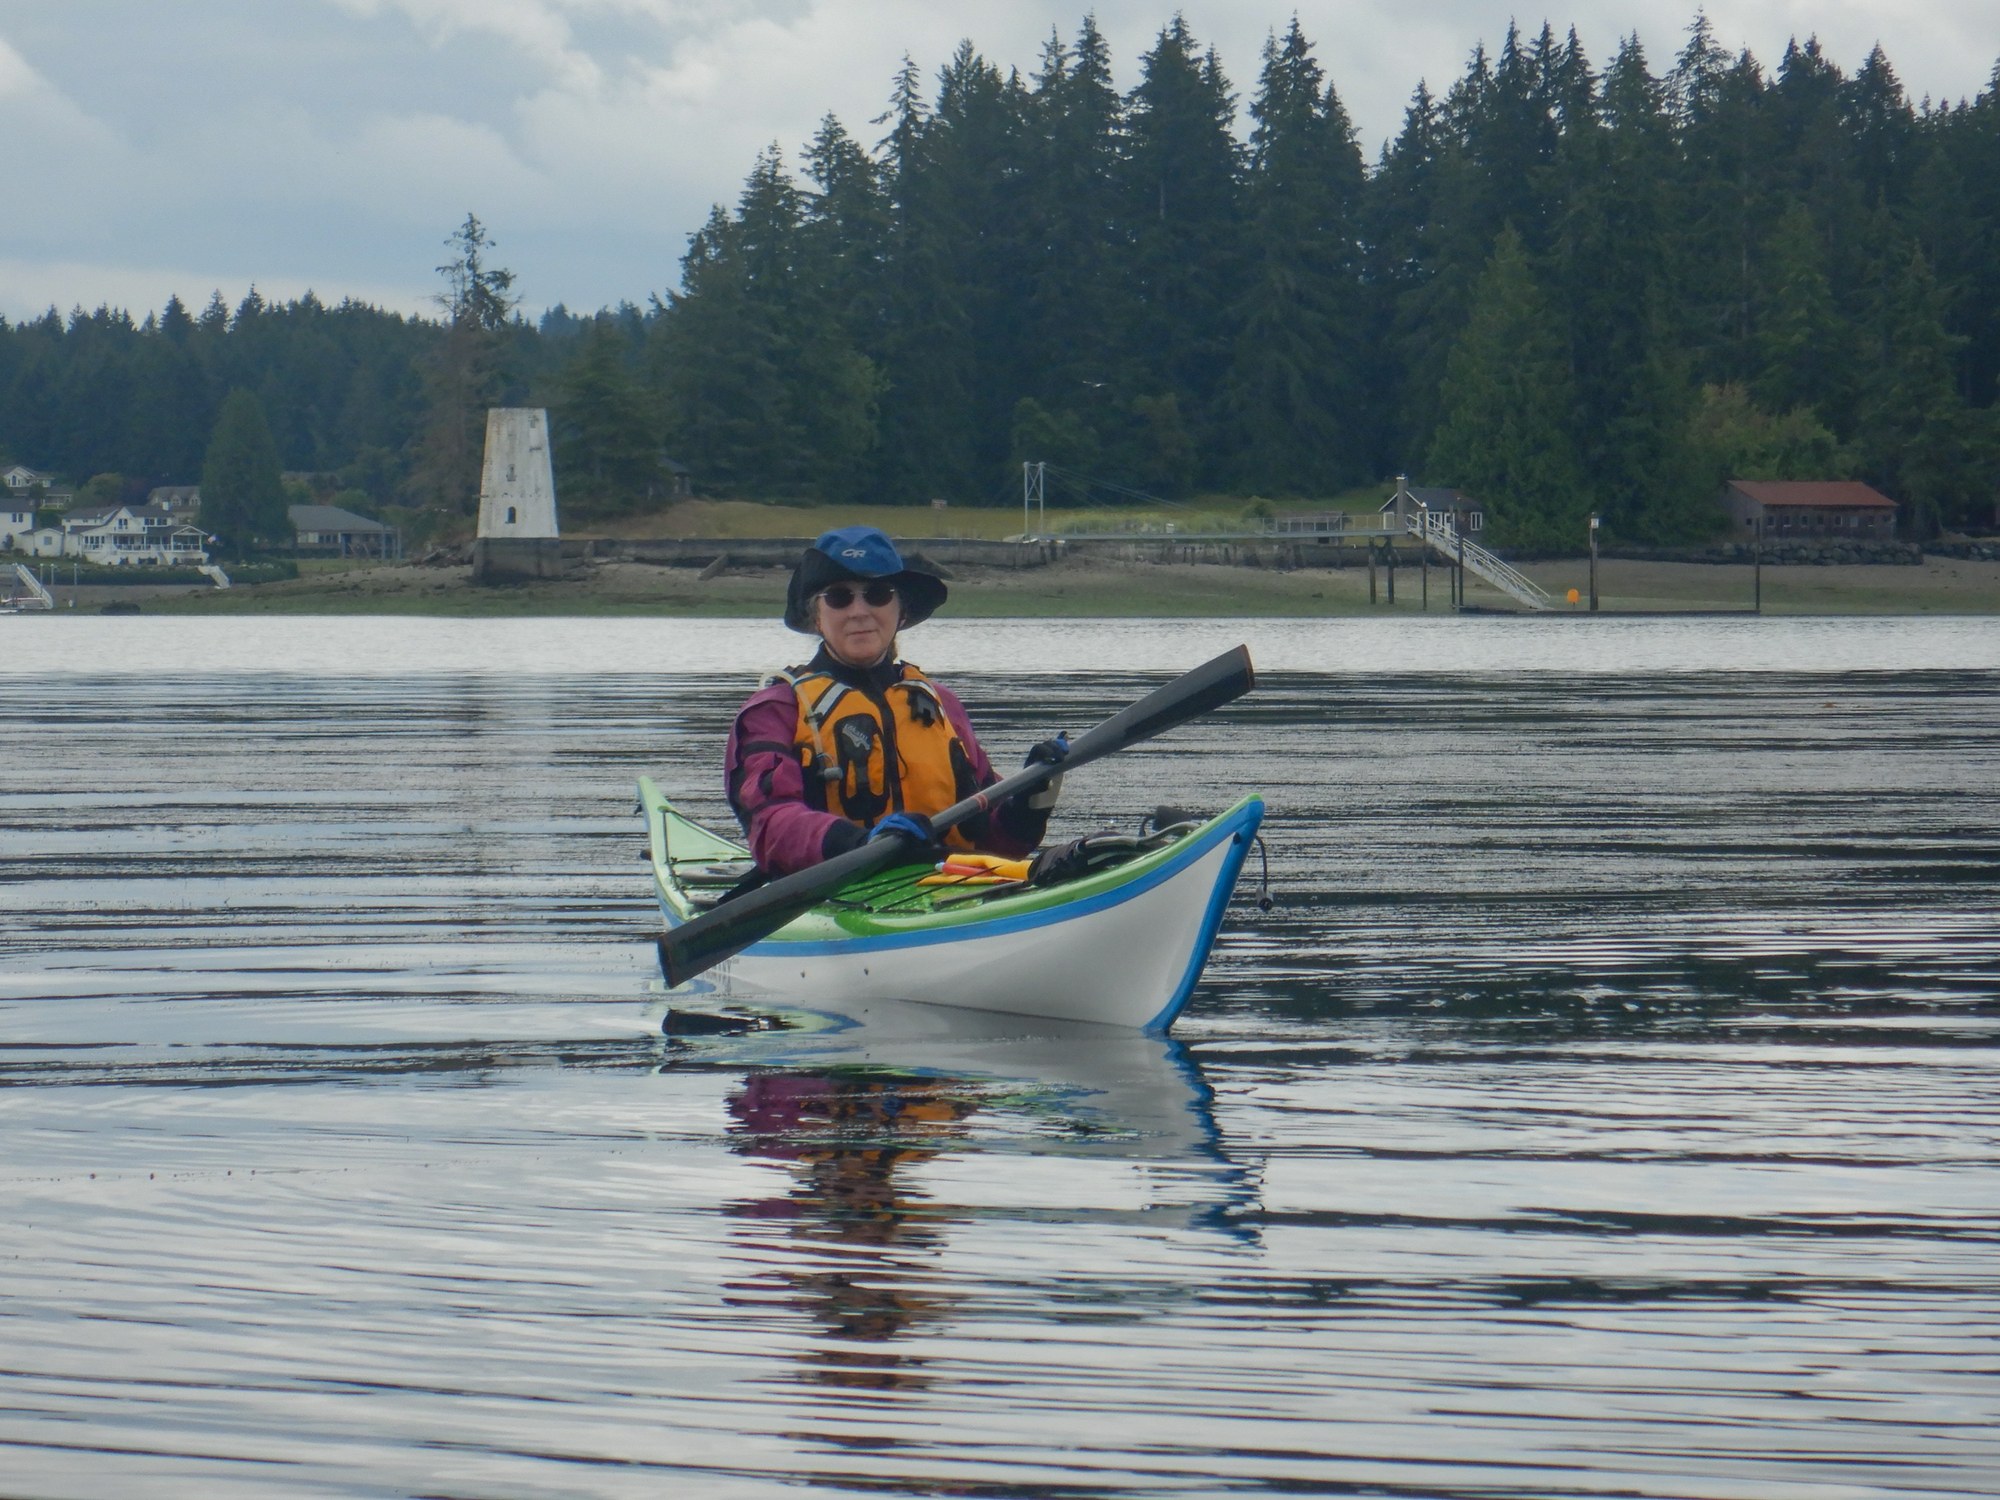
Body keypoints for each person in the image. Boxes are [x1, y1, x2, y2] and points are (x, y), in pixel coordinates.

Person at [726, 525, 1065, 875]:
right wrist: (859, 843)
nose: (859, 611)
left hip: (947, 884)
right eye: (839, 597)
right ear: (816, 616)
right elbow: (770, 826)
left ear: (900, 611)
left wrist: (1031, 798)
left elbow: (998, 844)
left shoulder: (942, 705)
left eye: (877, 594)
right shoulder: (776, 710)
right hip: (835, 889)